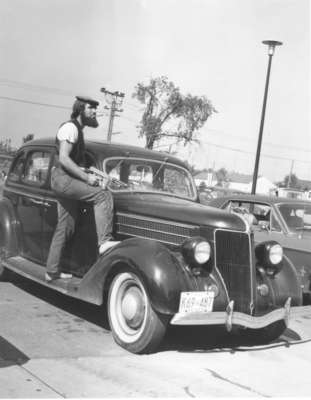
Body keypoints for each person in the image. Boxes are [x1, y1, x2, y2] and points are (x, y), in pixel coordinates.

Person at [45, 95, 119, 282]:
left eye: (95, 108)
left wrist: (97, 173)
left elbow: (75, 162)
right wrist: (87, 178)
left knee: (66, 225)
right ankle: (104, 242)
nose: (94, 111)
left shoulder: (78, 130)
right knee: (102, 195)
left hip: (63, 179)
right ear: (80, 109)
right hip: (63, 179)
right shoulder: (71, 128)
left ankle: (51, 271)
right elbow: (64, 158)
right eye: (90, 108)